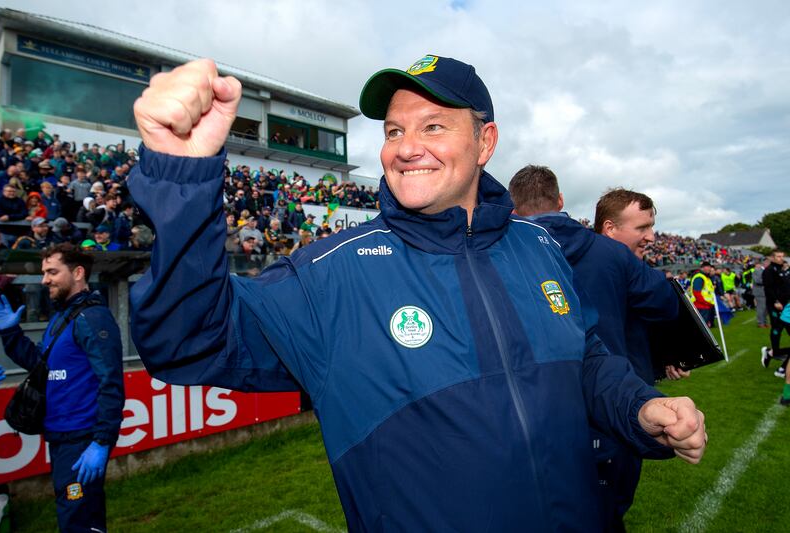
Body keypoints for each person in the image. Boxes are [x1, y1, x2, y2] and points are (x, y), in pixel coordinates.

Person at [127, 56, 706, 532]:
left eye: (433, 126)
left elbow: (584, 362)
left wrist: (639, 408)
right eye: (394, 131)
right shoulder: (333, 274)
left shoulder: (539, 248)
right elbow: (187, 340)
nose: (406, 147)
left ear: (485, 142)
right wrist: (182, 177)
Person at [509, 166, 681, 530]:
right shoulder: (611, 254)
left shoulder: (498, 253)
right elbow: (667, 305)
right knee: (605, 515)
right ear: (560, 201)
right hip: (611, 403)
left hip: (533, 413)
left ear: (512, 207)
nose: (649, 236)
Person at [0, 244, 123, 532]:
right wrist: (10, 332)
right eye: (43, 273)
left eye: (52, 272)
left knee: (79, 522)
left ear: (77, 273)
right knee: (74, 518)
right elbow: (40, 365)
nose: (44, 280)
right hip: (62, 437)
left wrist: (101, 441)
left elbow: (111, 382)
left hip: (82, 439)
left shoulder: (93, 317)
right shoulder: (61, 317)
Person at [761, 249, 790, 377]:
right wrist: (775, 301)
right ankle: (775, 353)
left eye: (782, 256)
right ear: (772, 257)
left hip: (785, 304)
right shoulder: (769, 271)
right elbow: (769, 288)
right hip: (776, 305)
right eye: (778, 256)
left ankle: (773, 353)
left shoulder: (782, 269)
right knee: (777, 328)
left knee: (781, 328)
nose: (780, 258)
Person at [690, 261, 716, 328]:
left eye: (710, 267)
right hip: (700, 306)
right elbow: (696, 292)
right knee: (702, 327)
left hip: (706, 306)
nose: (709, 269)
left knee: (705, 327)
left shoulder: (706, 278)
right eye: (708, 267)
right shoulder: (699, 277)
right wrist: (706, 302)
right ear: (702, 268)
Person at [753, 259, 769, 328]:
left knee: (766, 308)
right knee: (761, 308)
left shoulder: (764, 270)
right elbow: (757, 281)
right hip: (760, 292)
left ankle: (765, 322)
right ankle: (760, 323)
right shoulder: (756, 271)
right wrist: (768, 281)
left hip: (765, 291)